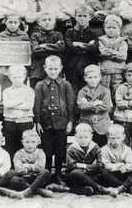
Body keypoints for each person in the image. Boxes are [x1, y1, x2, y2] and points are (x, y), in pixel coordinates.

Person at [33, 55, 75, 186]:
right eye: (50, 68)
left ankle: (57, 173)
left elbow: (70, 104)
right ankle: (46, 174)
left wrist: (70, 121)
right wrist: (37, 122)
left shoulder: (65, 84)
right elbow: (37, 105)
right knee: (47, 149)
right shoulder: (40, 85)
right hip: (45, 123)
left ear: (61, 68)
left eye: (56, 69)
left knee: (60, 149)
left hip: (61, 123)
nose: (53, 71)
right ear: (45, 68)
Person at [61, 123, 117, 197]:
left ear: (91, 136)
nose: (83, 140)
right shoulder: (71, 149)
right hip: (76, 177)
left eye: (86, 137)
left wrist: (81, 165)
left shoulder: (96, 148)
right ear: (75, 137)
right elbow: (71, 166)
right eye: (80, 137)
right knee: (76, 172)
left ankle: (123, 186)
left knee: (103, 172)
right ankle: (99, 188)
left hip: (91, 176)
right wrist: (91, 166)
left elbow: (99, 166)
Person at [99, 124, 132, 196]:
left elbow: (130, 165)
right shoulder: (104, 149)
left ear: (123, 137)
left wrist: (122, 168)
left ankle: (120, 188)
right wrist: (120, 165)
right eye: (113, 138)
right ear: (108, 138)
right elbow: (106, 165)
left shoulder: (127, 149)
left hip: (124, 173)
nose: (115, 141)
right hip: (112, 175)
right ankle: (127, 187)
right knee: (102, 171)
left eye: (118, 138)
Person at [64, 4, 99, 95]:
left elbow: (95, 48)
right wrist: (87, 46)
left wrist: (78, 44)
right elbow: (70, 47)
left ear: (90, 18)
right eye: (79, 16)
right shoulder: (69, 32)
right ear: (75, 17)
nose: (82, 18)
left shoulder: (93, 33)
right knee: (72, 91)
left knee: (86, 90)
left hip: (88, 64)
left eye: (85, 16)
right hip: (72, 65)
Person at [2, 65, 34, 161]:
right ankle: (12, 168)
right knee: (10, 146)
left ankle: (24, 167)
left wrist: (14, 104)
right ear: (10, 77)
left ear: (24, 77)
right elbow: (7, 104)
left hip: (25, 121)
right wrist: (21, 101)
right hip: (10, 121)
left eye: (20, 77)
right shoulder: (7, 91)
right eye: (14, 77)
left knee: (24, 145)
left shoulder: (29, 90)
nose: (17, 80)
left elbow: (28, 106)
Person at [0, 11, 30, 93]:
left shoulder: (24, 35)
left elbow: (27, 50)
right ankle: (5, 102)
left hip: (19, 67)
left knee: (20, 90)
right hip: (5, 68)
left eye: (15, 22)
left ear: (19, 22)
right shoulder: (1, 35)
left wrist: (28, 53)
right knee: (5, 89)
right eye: (10, 22)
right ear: (5, 22)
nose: (13, 25)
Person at [10, 130, 53, 198]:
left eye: (33, 142)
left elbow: (40, 168)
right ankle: (38, 191)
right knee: (14, 180)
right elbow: (18, 170)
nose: (30, 145)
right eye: (27, 142)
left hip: (38, 179)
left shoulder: (40, 153)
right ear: (22, 142)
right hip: (25, 179)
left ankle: (29, 191)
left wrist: (27, 166)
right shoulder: (18, 154)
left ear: (38, 142)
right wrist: (34, 167)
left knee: (45, 172)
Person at [77, 64, 112, 147]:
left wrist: (89, 105)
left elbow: (106, 105)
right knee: (87, 147)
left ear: (100, 77)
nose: (93, 80)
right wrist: (95, 103)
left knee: (102, 148)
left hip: (101, 125)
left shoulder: (105, 90)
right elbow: (81, 105)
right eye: (90, 77)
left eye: (95, 77)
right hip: (87, 124)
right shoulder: (82, 92)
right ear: (85, 78)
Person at [30, 10, 65, 89]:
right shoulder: (35, 35)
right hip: (38, 70)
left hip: (54, 70)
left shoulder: (58, 35)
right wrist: (54, 47)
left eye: (49, 19)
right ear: (39, 22)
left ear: (54, 21)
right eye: (44, 20)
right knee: (37, 93)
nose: (47, 22)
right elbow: (35, 50)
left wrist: (44, 46)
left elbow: (61, 47)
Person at [98, 15, 128, 102]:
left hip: (118, 72)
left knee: (117, 93)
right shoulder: (101, 40)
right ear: (104, 28)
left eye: (114, 27)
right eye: (108, 27)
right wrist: (116, 53)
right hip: (104, 71)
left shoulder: (122, 41)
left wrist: (109, 52)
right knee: (104, 93)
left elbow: (123, 57)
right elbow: (102, 52)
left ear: (119, 28)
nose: (111, 30)